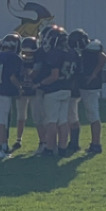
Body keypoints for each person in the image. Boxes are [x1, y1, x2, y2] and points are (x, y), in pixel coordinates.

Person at [31, 23, 74, 157]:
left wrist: (40, 84)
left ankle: (49, 148)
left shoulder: (54, 53)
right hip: (67, 89)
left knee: (51, 121)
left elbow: (53, 76)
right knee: (63, 121)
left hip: (53, 90)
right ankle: (62, 148)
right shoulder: (71, 53)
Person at [70, 32, 106, 155]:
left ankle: (96, 144)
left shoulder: (93, 47)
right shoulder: (84, 49)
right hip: (80, 83)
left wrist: (94, 74)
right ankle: (74, 142)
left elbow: (103, 58)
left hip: (90, 85)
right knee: (72, 113)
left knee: (92, 114)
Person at [12, 35, 40, 151]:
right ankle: (18, 139)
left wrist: (29, 71)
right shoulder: (18, 60)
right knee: (21, 116)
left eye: (30, 53)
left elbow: (35, 74)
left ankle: (42, 140)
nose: (27, 56)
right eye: (25, 53)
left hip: (35, 90)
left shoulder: (38, 61)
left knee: (37, 116)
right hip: (22, 90)